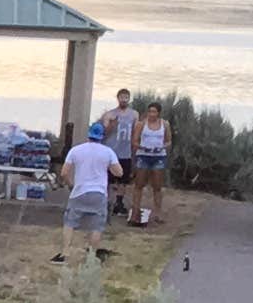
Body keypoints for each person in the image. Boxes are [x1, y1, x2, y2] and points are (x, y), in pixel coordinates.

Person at [59, 119, 115, 252]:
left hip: (79, 191)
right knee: (97, 226)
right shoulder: (108, 152)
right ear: (102, 136)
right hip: (99, 192)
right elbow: (119, 172)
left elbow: (64, 173)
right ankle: (92, 254)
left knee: (70, 223)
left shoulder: (76, 150)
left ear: (88, 134)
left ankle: (65, 251)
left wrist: (71, 184)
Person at [101, 89, 141, 220]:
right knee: (109, 179)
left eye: (126, 97)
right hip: (111, 151)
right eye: (122, 97)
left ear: (129, 99)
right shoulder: (110, 114)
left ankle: (119, 202)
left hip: (126, 152)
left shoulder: (134, 114)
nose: (124, 100)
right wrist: (112, 125)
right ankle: (106, 202)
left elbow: (136, 132)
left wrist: (135, 149)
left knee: (123, 180)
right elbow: (104, 134)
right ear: (117, 98)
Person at [133, 100, 170, 230]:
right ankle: (136, 211)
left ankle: (158, 213)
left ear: (158, 113)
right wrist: (143, 147)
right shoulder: (141, 124)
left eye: (154, 111)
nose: (151, 114)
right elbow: (135, 141)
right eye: (149, 111)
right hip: (144, 155)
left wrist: (160, 147)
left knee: (157, 186)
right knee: (139, 184)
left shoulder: (164, 124)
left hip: (158, 157)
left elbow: (168, 141)